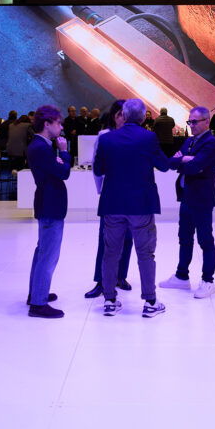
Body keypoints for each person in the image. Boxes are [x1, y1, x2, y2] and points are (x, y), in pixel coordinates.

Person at [93, 98, 171, 317]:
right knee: (145, 253)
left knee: (110, 253)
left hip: (113, 204)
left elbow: (98, 170)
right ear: (144, 117)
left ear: (124, 115)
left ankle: (109, 300)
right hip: (141, 205)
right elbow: (163, 166)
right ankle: (150, 302)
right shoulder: (149, 138)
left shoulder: (106, 139)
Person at [160, 106, 215, 298]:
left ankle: (208, 281)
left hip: (202, 198)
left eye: (195, 122)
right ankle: (182, 276)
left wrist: (185, 160)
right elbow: (171, 162)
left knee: (205, 240)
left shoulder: (211, 142)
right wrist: (187, 159)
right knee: (184, 238)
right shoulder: (189, 141)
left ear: (207, 121)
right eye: (190, 122)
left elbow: (194, 167)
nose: (191, 125)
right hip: (187, 196)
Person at [84, 100, 134, 299]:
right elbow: (96, 167)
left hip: (131, 194)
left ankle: (121, 276)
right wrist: (101, 189)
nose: (123, 118)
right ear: (114, 115)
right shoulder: (104, 136)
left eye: (126, 114)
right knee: (105, 238)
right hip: (111, 193)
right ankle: (101, 281)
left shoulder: (135, 135)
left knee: (128, 238)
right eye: (120, 114)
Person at [25, 105, 70, 318]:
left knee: (42, 251)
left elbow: (57, 169)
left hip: (48, 203)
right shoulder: (42, 148)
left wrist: (58, 160)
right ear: (47, 124)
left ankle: (36, 293)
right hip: (50, 205)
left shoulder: (39, 146)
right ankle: (38, 303)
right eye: (58, 123)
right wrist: (64, 152)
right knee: (48, 255)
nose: (61, 127)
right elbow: (64, 172)